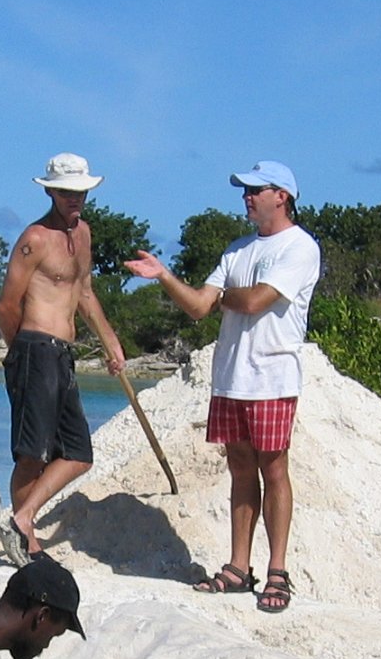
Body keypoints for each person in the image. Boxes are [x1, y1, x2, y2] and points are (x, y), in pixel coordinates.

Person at [124, 160, 322, 613]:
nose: (247, 197)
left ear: (282, 196)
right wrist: (165, 275)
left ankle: (277, 571)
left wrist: (223, 299)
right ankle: (238, 566)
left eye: (256, 190)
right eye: (245, 190)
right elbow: (198, 306)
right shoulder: (237, 250)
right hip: (231, 375)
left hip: (272, 376)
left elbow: (252, 301)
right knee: (239, 470)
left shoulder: (300, 247)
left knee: (274, 469)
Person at [0, 153, 127, 565]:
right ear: (50, 191)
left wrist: (110, 342)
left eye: (80, 192)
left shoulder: (83, 235)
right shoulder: (35, 238)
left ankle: (21, 519)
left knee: (78, 453)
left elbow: (84, 291)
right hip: (35, 348)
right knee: (32, 453)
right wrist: (19, 350)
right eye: (67, 191)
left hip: (64, 353)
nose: (75, 199)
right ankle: (26, 540)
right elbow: (7, 304)